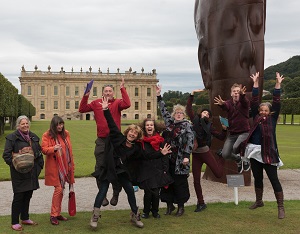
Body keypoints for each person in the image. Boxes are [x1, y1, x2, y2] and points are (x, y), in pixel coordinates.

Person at [90, 96, 172, 229]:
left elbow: (147, 156)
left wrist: (160, 153)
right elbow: (111, 123)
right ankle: (95, 216)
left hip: (121, 171)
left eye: (135, 133)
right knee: (103, 190)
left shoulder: (136, 148)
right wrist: (105, 109)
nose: (132, 134)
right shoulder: (118, 138)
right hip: (110, 168)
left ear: (137, 136)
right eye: (131, 131)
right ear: (127, 132)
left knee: (129, 190)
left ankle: (135, 214)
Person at [79, 78, 131, 207]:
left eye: (110, 91)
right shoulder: (96, 103)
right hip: (102, 141)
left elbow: (128, 104)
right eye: (106, 91)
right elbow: (82, 109)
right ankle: (103, 195)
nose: (108, 93)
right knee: (99, 168)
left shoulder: (117, 103)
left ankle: (116, 193)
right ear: (102, 93)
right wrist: (86, 95)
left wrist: (122, 88)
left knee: (118, 168)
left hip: (115, 141)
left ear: (113, 93)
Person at [241, 72, 285, 219]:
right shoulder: (256, 117)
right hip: (254, 152)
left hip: (269, 153)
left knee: (274, 179)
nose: (263, 112)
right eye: (261, 110)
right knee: (257, 178)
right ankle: (259, 201)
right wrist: (255, 83)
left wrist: (278, 84)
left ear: (270, 112)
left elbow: (277, 101)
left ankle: (280, 207)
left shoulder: (272, 119)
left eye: (266, 110)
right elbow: (254, 101)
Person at [187, 89, 227, 212]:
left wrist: (224, 129)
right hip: (196, 154)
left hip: (205, 152)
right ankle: (201, 202)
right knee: (196, 180)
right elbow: (188, 109)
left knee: (219, 174)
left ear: (209, 117)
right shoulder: (194, 120)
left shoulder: (210, 127)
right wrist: (192, 94)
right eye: (204, 112)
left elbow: (221, 137)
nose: (206, 114)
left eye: (208, 114)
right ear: (201, 113)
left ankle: (221, 157)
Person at [156, 84, 194, 217]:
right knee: (167, 182)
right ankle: (169, 205)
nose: (178, 114)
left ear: (183, 115)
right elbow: (163, 110)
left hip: (180, 158)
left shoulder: (187, 126)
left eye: (181, 113)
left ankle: (181, 207)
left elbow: (189, 142)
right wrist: (159, 96)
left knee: (179, 183)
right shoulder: (170, 123)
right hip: (168, 157)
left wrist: (186, 156)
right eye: (177, 113)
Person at [2, 115, 44, 231]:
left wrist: (39, 167)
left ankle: (25, 218)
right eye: (22, 124)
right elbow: (6, 155)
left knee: (28, 195)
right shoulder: (12, 138)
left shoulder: (33, 137)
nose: (25, 125)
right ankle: (15, 221)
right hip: (19, 174)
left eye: (26, 123)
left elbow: (39, 153)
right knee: (19, 196)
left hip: (31, 173)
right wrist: (16, 165)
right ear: (18, 125)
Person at [41, 116, 75, 225]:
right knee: (59, 189)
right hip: (55, 167)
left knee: (62, 190)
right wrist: (53, 148)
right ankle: (53, 215)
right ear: (53, 125)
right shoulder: (47, 135)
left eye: (61, 124)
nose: (60, 126)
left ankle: (57, 213)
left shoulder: (66, 133)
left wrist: (71, 166)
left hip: (65, 166)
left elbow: (70, 151)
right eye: (58, 125)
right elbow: (44, 149)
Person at [138, 118, 173, 219]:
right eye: (147, 125)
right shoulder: (141, 140)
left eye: (151, 125)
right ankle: (146, 211)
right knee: (148, 193)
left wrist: (165, 170)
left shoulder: (160, 140)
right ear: (144, 127)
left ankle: (155, 211)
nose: (149, 127)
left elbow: (165, 156)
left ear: (154, 127)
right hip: (146, 169)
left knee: (156, 193)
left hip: (158, 168)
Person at [214, 84, 251, 173]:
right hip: (232, 134)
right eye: (234, 91)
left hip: (244, 132)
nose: (236, 93)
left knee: (235, 147)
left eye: (238, 91)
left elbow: (245, 102)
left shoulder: (244, 103)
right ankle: (238, 159)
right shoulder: (229, 103)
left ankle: (246, 160)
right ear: (231, 94)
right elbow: (226, 106)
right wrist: (222, 104)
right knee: (225, 154)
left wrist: (242, 95)